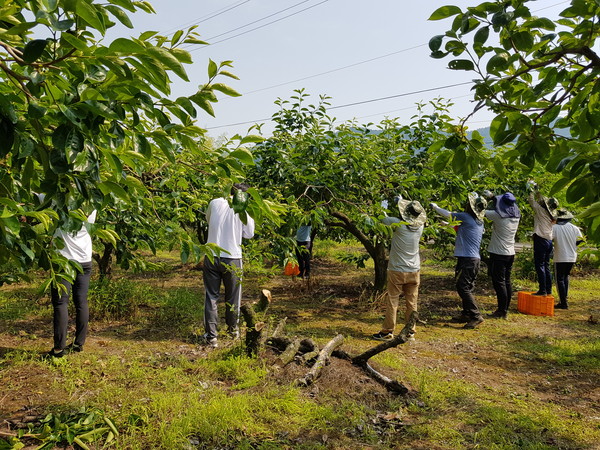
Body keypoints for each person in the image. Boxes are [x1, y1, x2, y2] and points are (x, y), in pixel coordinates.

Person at [202, 184, 255, 348]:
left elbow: (208, 220)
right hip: (232, 257)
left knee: (211, 296)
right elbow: (249, 234)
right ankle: (233, 332)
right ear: (244, 196)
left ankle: (211, 337)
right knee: (233, 296)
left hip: (211, 255)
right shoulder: (244, 209)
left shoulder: (214, 202)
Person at [46, 201, 97, 358]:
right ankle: (78, 344)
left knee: (61, 302)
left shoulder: (57, 201)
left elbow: (33, 198)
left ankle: (59, 349)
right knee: (81, 302)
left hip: (64, 262)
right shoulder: (92, 205)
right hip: (84, 260)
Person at [431, 193, 487, 329]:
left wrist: (435, 206)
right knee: (467, 286)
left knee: (462, 287)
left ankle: (476, 315)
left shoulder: (466, 217)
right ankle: (467, 313)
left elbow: (448, 213)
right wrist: (447, 225)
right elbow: (463, 230)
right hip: (472, 259)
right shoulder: (477, 221)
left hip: (468, 259)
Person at [372, 200, 426, 341]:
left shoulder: (397, 224)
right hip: (414, 270)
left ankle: (387, 331)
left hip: (397, 269)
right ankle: (410, 332)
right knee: (412, 302)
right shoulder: (420, 226)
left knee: (393, 300)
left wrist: (386, 205)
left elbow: (381, 219)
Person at [484, 192, 521, 319]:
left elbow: (479, 211)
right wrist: (494, 197)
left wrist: (486, 198)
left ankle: (501, 311)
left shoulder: (497, 216)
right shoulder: (516, 216)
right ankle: (505, 309)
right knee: (506, 281)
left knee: (499, 282)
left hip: (498, 253)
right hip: (510, 253)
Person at [527, 181, 559, 296]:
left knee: (539, 265)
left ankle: (542, 290)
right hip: (549, 241)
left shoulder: (541, 211)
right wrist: (537, 189)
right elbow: (541, 199)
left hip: (540, 239)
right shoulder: (552, 215)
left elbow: (532, 201)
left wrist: (531, 188)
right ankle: (548, 289)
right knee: (546, 265)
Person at [552, 209, 584, 309]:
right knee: (566, 277)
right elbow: (580, 241)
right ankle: (564, 298)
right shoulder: (574, 228)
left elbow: (549, 239)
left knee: (559, 279)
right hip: (572, 256)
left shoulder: (554, 228)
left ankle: (563, 302)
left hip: (560, 256)